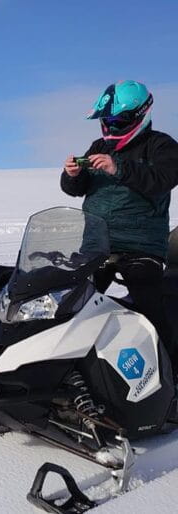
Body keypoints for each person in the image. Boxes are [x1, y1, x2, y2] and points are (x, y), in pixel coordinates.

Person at [61, 80, 178, 367]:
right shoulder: (99, 146)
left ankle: (169, 370)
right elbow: (75, 189)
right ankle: (68, 368)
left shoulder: (160, 145)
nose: (111, 127)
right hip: (97, 244)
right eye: (107, 120)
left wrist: (119, 168)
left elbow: (163, 179)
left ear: (142, 114)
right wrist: (72, 175)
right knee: (69, 305)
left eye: (118, 120)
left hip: (140, 246)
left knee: (149, 309)